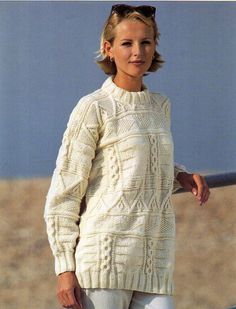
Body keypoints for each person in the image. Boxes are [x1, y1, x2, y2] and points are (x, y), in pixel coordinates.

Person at [44, 4, 210, 309]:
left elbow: (135, 167)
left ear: (155, 45)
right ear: (108, 49)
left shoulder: (160, 106)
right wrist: (64, 267)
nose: (138, 52)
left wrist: (180, 176)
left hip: (154, 262)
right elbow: (65, 191)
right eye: (127, 43)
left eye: (146, 42)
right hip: (104, 261)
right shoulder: (94, 107)